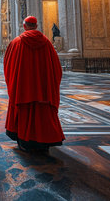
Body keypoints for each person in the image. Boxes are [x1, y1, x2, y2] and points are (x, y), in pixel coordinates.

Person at [4, 16, 65, 153]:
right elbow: (57, 69)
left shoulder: (16, 43)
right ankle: (44, 141)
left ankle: (26, 141)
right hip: (44, 92)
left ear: (24, 26)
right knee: (43, 114)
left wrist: (14, 84)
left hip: (23, 90)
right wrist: (49, 85)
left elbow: (8, 67)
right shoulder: (47, 43)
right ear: (36, 26)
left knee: (25, 114)